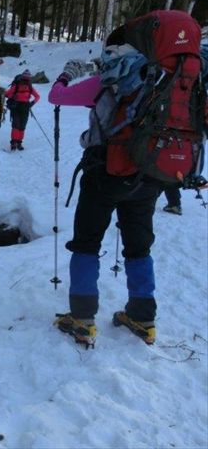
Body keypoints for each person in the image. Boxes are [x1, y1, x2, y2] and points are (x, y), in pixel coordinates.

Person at [48, 55, 163, 348]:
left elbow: (56, 96)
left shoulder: (109, 80)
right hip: (149, 175)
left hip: (105, 173)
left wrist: (66, 75)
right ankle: (142, 317)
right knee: (139, 245)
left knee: (87, 242)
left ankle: (82, 318)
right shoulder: (165, 81)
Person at [4, 69, 40, 151]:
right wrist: (13, 97)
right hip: (16, 107)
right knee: (16, 125)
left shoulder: (30, 87)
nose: (26, 80)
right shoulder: (17, 86)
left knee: (22, 126)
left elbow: (37, 96)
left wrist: (31, 103)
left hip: (24, 107)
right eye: (25, 78)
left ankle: (18, 142)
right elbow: (6, 94)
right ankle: (14, 142)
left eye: (27, 78)